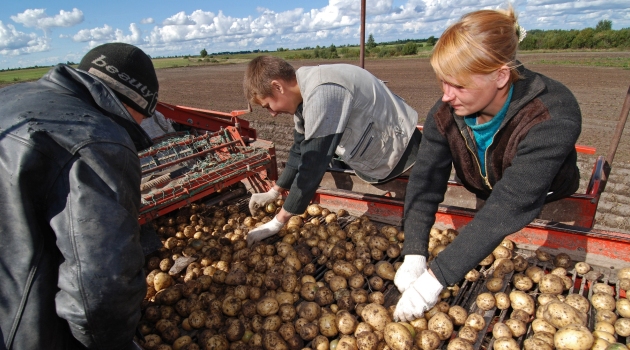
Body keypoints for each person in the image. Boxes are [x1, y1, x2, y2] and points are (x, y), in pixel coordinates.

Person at [393, 8, 581, 322]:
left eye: (459, 86)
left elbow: (509, 204)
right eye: (443, 83)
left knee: (499, 216)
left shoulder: (553, 113)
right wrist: (414, 251)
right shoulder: (444, 113)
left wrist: (434, 280)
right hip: (488, 189)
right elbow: (425, 182)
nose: (447, 96)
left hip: (544, 197)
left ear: (500, 76)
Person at [0, 42, 159, 349]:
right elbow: (101, 290)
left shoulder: (10, 98)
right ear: (133, 104)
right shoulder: (98, 139)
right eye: (140, 121)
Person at [243, 56, 422, 246]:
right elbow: (299, 150)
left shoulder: (323, 92)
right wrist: (274, 192)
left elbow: (313, 163)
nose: (272, 113)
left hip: (401, 152)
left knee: (410, 212)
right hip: (378, 151)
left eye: (268, 105)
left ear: (278, 87)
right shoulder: (304, 95)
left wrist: (277, 223)